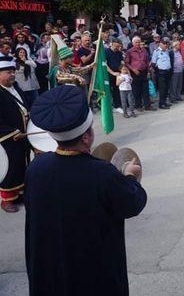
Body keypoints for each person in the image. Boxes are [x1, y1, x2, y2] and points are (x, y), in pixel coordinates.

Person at [25, 85, 147, 295]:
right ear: (86, 137)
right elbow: (131, 203)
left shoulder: (36, 167)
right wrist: (130, 176)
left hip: (51, 273)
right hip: (92, 275)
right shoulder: (102, 173)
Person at [0, 56, 31, 213]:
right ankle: (6, 200)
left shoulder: (16, 87)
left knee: (21, 164)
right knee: (9, 168)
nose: (12, 74)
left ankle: (18, 195)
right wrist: (12, 132)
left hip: (21, 134)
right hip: (8, 138)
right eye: (8, 72)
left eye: (13, 71)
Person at [124, 36, 155, 111]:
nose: (138, 44)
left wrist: (148, 72)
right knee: (136, 90)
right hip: (135, 73)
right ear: (133, 43)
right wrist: (133, 69)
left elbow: (147, 62)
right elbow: (126, 63)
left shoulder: (144, 50)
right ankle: (138, 106)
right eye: (136, 42)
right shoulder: (129, 51)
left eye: (139, 42)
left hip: (144, 72)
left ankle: (147, 106)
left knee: (145, 89)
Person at [151, 38, 172, 110]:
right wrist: (158, 71)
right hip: (160, 72)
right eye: (164, 43)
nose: (166, 45)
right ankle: (161, 104)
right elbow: (153, 63)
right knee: (162, 89)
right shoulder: (156, 52)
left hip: (167, 72)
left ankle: (165, 102)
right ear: (160, 44)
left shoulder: (167, 51)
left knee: (166, 88)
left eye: (167, 44)